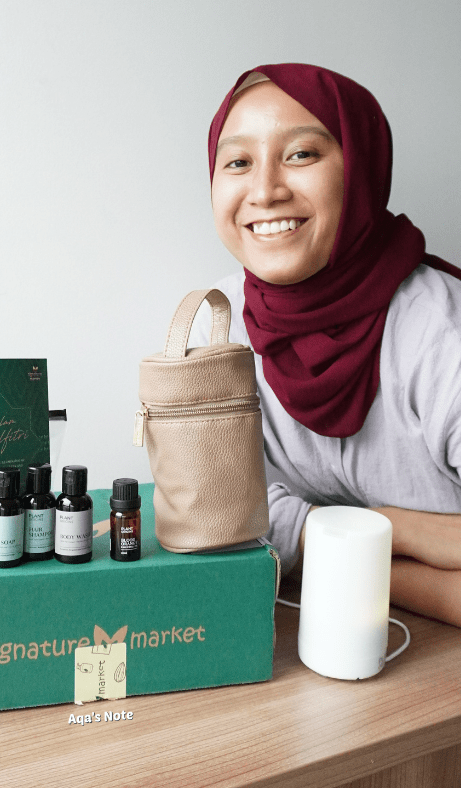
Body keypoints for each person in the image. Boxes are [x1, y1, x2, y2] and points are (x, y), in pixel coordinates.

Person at [190, 63, 461, 627]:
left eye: (301, 155)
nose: (265, 190)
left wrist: (305, 539)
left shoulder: (440, 331)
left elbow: (257, 532)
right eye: (238, 162)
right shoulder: (217, 326)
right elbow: (214, 518)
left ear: (361, 170)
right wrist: (397, 531)